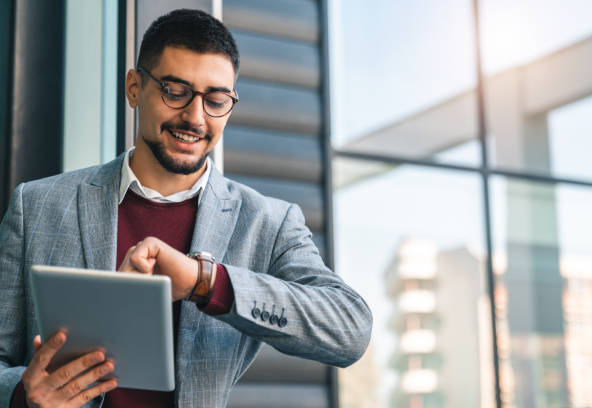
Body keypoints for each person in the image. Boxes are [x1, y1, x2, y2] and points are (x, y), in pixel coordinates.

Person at [0, 8, 372, 408]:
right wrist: (22, 394)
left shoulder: (269, 223)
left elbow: (349, 329)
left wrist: (205, 281)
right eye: (175, 92)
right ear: (133, 88)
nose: (195, 118)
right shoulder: (36, 205)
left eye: (216, 100)